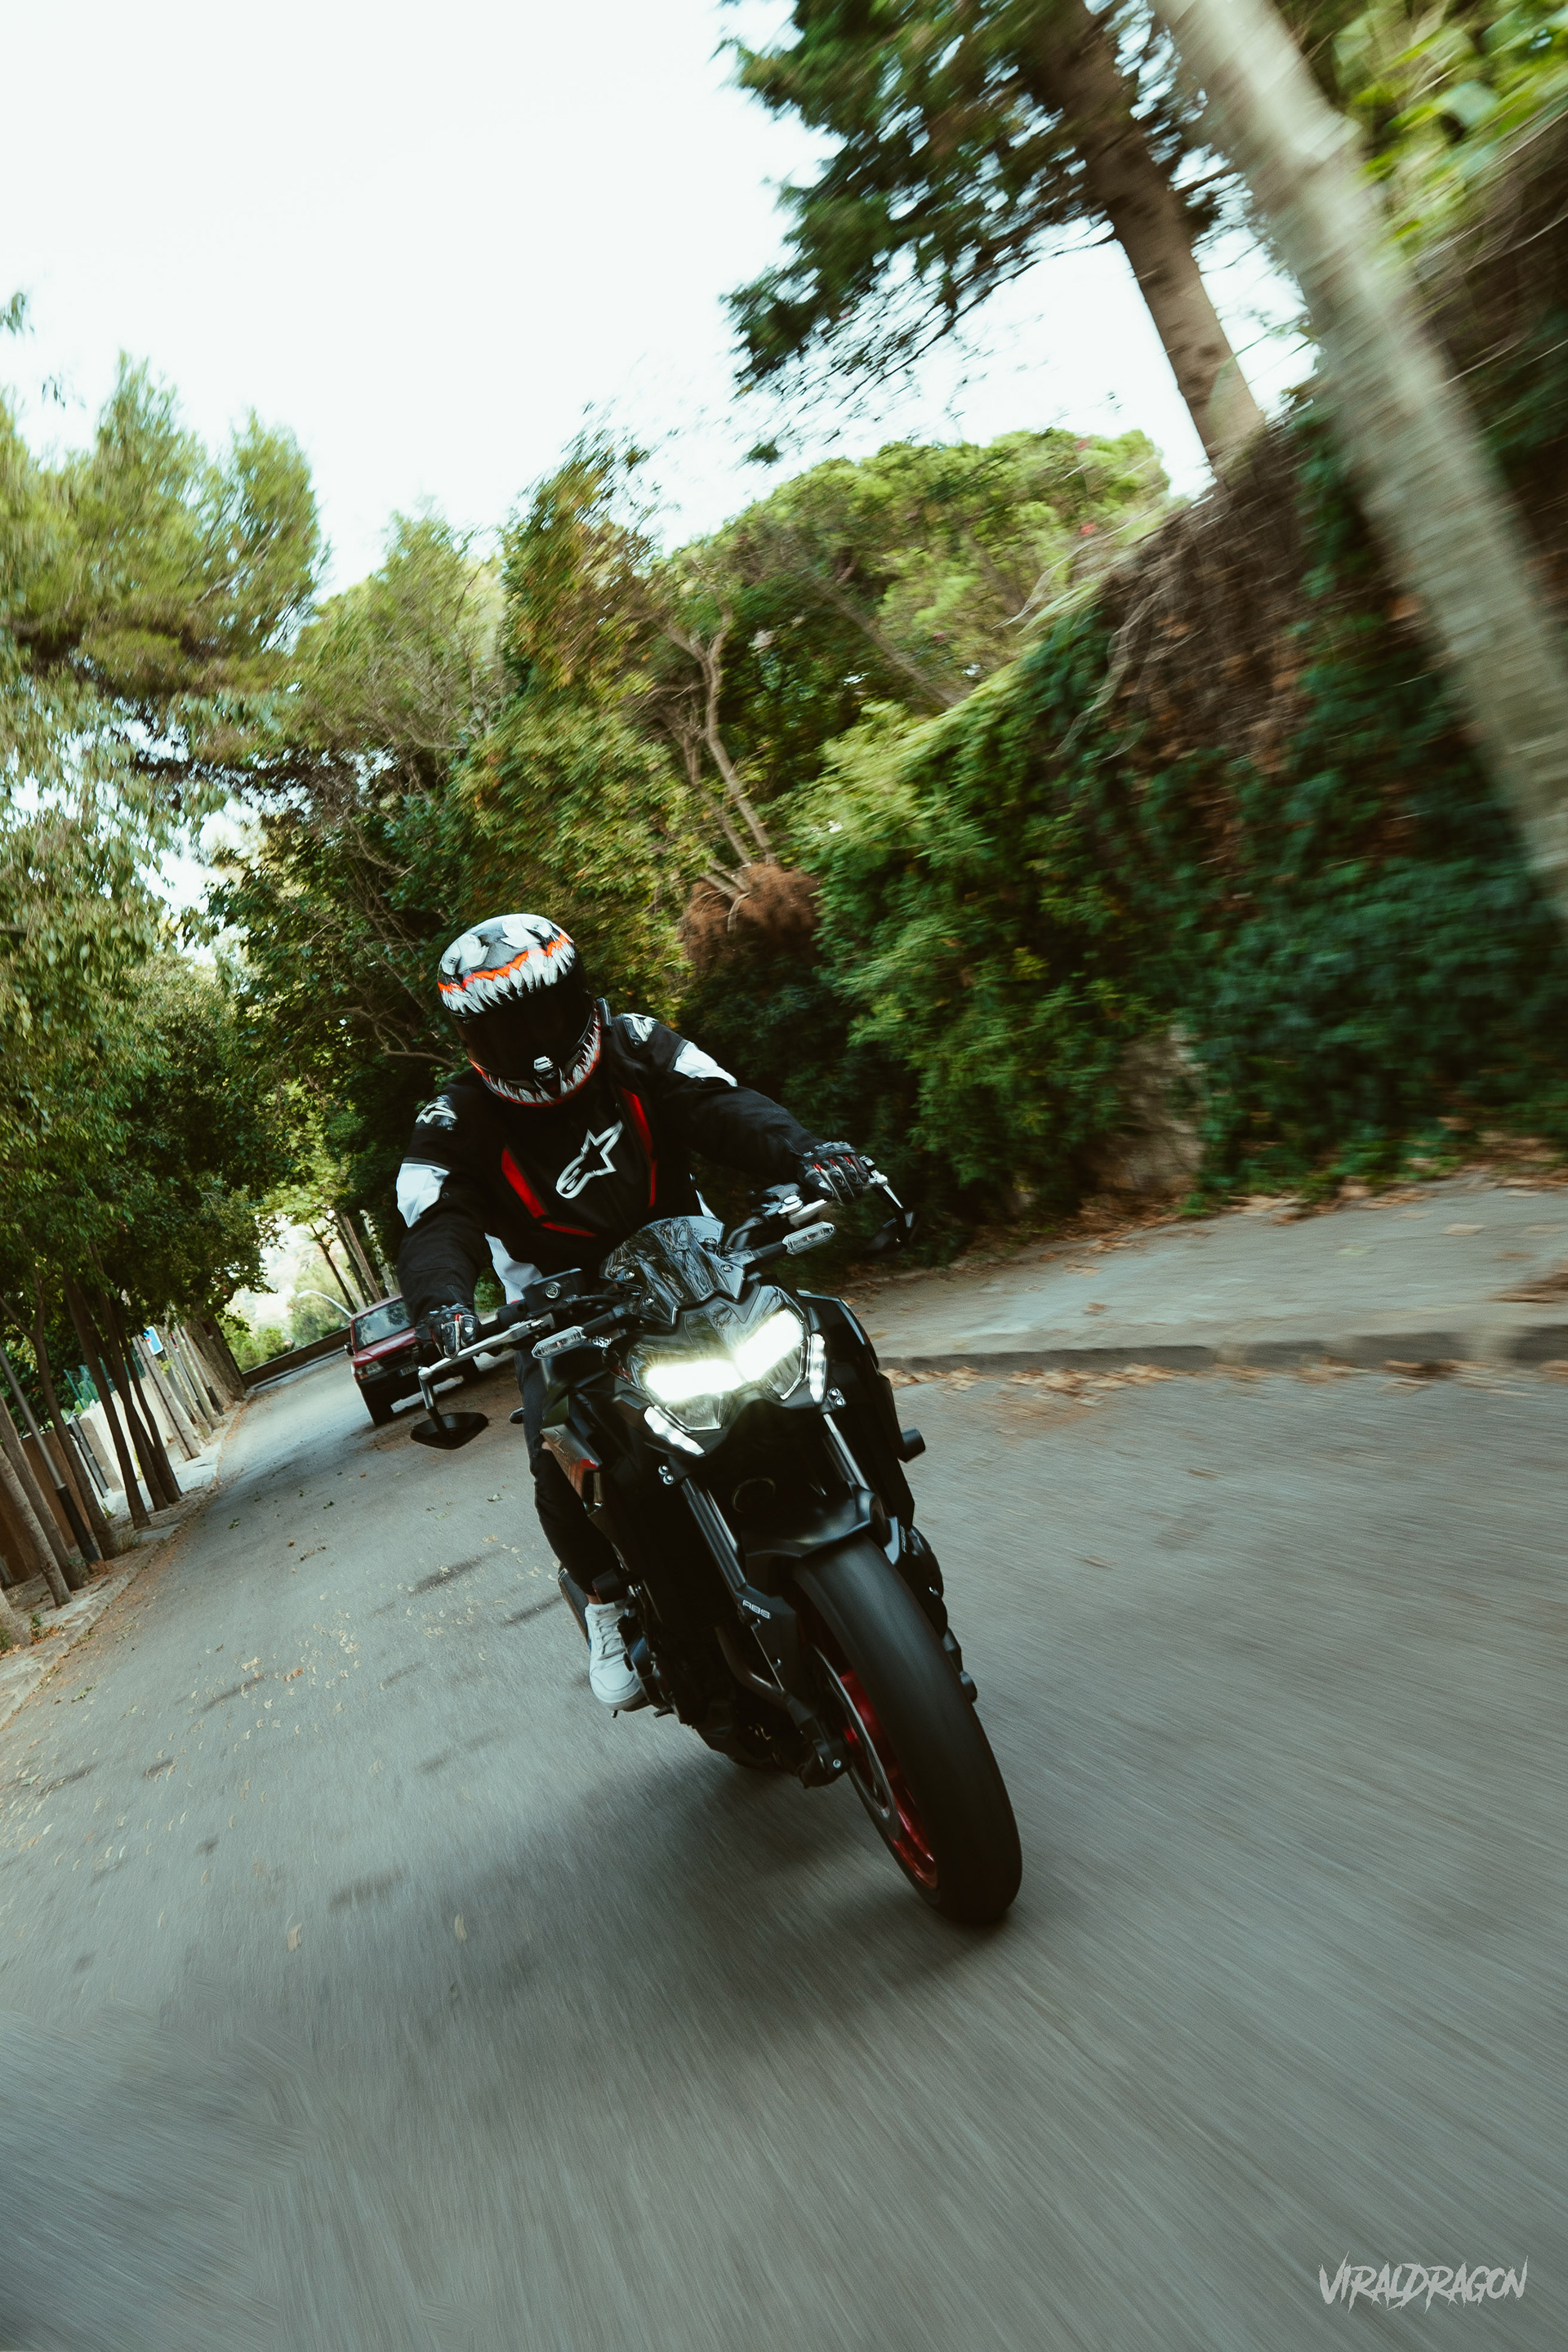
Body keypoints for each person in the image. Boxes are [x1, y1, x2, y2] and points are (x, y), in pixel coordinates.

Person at [394, 911, 875, 1709]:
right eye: (509, 1029)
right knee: (558, 1446)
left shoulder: (637, 1044)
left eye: (547, 1012)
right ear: (472, 1040)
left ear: (580, 996)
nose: (537, 1044)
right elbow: (434, 1222)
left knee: (829, 1333)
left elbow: (722, 1104)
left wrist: (806, 1153)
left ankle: (875, 1488)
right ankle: (607, 1599)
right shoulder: (455, 1121)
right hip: (563, 1310)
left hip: (701, 1263)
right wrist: (440, 1306)